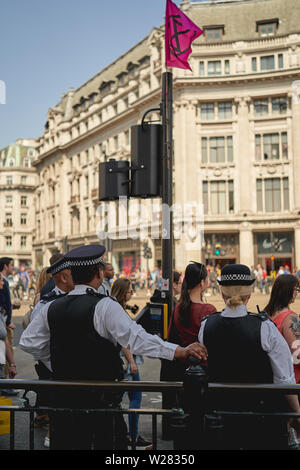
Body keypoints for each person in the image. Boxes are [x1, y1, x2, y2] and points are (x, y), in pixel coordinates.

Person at [19, 244, 206, 450]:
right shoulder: (104, 306)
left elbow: (29, 342)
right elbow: (137, 338)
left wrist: (58, 363)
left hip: (64, 402)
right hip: (100, 403)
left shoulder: (50, 306)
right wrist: (179, 350)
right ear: (98, 273)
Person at [199, 263, 300, 450]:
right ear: (249, 295)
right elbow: (284, 379)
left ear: (222, 294)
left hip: (220, 417)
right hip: (259, 419)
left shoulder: (206, 326)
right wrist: (296, 412)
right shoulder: (265, 327)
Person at [27, 255, 74, 448]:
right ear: (63, 276)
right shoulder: (48, 302)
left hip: (68, 369)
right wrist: (54, 361)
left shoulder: (74, 297)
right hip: (59, 368)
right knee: (58, 404)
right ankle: (51, 435)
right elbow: (30, 340)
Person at [111, 277, 151, 449]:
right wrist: (132, 362)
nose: (132, 293)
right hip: (126, 361)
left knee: (123, 398)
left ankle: (126, 434)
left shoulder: (115, 307)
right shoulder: (117, 311)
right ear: (122, 292)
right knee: (134, 397)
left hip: (123, 359)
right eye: (130, 291)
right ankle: (132, 436)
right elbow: (123, 341)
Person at [0, 257, 18, 396]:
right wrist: (8, 321)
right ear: (5, 266)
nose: (13, 267)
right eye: (11, 265)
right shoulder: (3, 280)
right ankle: (4, 384)